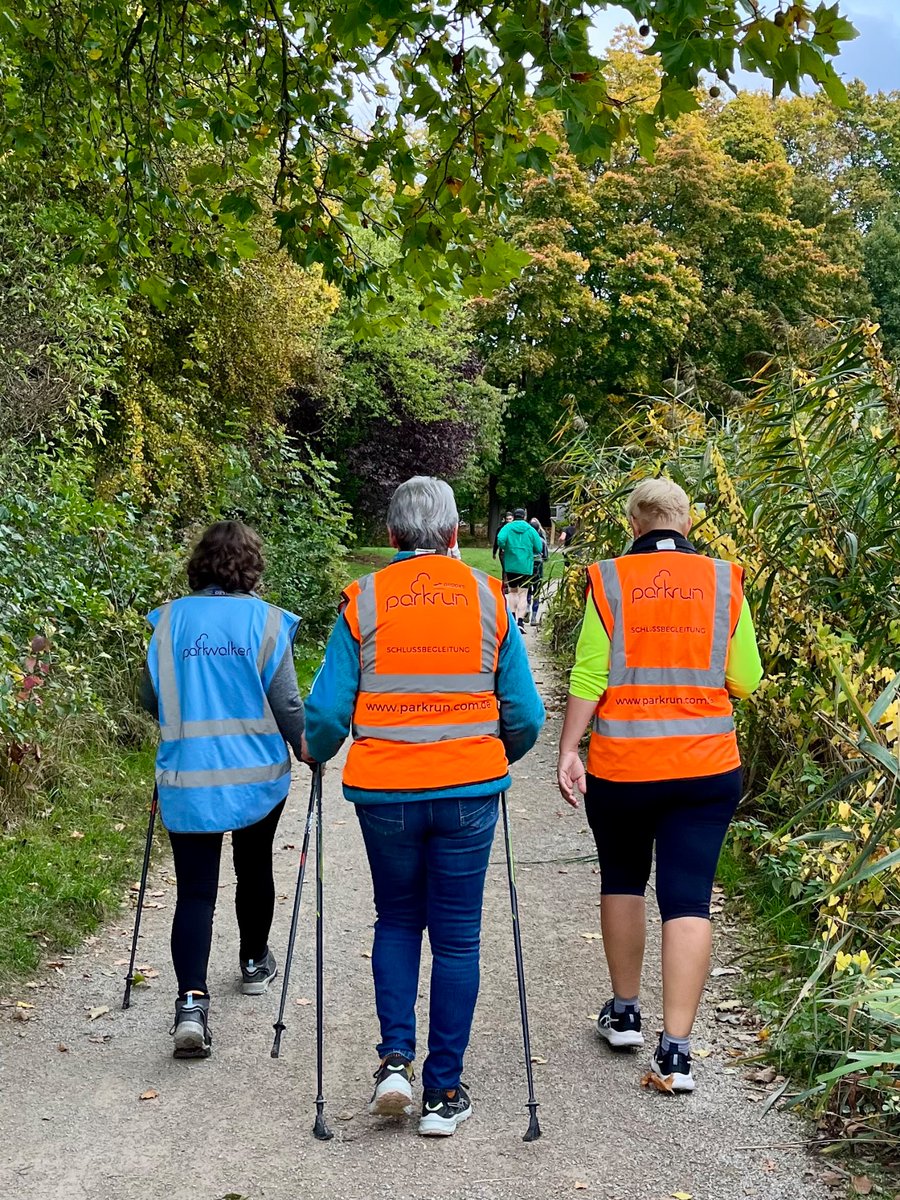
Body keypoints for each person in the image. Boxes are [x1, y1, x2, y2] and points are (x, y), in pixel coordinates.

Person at [303, 476, 545, 1137]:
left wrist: (315, 749)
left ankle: (393, 1065)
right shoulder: (488, 600)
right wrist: (496, 755)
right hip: (470, 791)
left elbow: (325, 714)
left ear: (390, 537)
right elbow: (526, 713)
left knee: (398, 920)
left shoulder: (365, 600)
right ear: (455, 535)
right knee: (459, 938)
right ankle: (442, 1094)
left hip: (385, 792)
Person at [556, 479, 762, 1093]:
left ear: (633, 524)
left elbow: (591, 673)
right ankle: (676, 1054)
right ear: (688, 521)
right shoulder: (726, 581)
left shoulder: (610, 580)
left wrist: (570, 748)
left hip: (624, 767)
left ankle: (623, 1014)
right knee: (688, 898)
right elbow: (745, 678)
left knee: (622, 877)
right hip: (704, 767)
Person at [141, 521, 304, 1059]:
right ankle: (254, 961)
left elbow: (150, 697)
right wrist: (308, 744)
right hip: (256, 777)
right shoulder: (266, 623)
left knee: (195, 892)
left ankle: (191, 1003)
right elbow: (286, 706)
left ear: (200, 565)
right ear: (252, 567)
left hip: (189, 776)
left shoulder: (167, 623)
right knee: (255, 867)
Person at [495, 507, 544, 632]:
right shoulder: (530, 529)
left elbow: (500, 539)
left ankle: (511, 618)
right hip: (526, 565)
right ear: (524, 517)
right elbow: (538, 547)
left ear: (514, 516)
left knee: (512, 592)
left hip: (511, 564)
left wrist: (506, 548)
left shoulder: (508, 527)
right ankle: (520, 622)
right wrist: (529, 550)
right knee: (523, 593)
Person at [527, 517, 550, 626]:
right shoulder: (542, 541)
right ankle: (533, 617)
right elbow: (546, 557)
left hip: (527, 566)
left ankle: (526, 608)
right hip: (538, 566)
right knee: (536, 591)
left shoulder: (526, 540)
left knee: (526, 589)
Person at [492, 511, 513, 583]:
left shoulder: (514, 528)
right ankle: (505, 585)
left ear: (513, 519)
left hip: (512, 551)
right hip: (503, 552)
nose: (508, 521)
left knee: (510, 569)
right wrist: (494, 552)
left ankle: (509, 584)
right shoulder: (501, 528)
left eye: (510, 519)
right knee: (505, 568)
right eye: (507, 519)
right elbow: (497, 541)